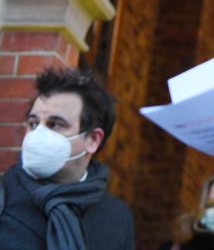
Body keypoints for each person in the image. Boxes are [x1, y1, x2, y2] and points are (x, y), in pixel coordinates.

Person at [0, 65, 134, 250]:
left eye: (55, 125)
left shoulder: (117, 218)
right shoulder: (4, 195)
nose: (38, 134)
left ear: (93, 140)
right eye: (33, 123)